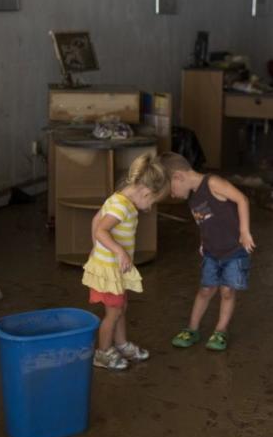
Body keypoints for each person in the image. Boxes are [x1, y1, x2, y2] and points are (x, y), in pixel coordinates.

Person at [160, 152, 255, 351]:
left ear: (178, 176)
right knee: (205, 289)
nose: (173, 194)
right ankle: (192, 329)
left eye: (171, 189)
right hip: (212, 251)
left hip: (234, 250)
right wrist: (203, 241)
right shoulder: (193, 198)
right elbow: (205, 221)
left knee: (227, 291)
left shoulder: (212, 182)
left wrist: (244, 232)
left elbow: (242, 199)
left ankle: (220, 330)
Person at [82, 153, 168, 371]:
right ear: (146, 191)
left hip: (112, 266)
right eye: (151, 202)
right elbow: (102, 228)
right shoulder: (121, 206)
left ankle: (121, 344)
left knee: (121, 307)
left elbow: (95, 219)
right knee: (113, 312)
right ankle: (102, 353)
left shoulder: (120, 198)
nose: (148, 208)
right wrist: (118, 251)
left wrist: (96, 248)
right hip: (109, 268)